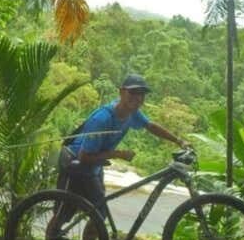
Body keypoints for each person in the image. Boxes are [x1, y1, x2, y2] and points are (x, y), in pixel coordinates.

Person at [57, 73, 188, 217]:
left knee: (99, 215)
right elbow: (84, 157)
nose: (137, 98)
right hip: (76, 166)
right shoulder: (102, 119)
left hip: (94, 168)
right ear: (121, 92)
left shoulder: (132, 113)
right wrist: (119, 154)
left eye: (142, 94)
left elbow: (150, 126)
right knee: (63, 215)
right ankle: (51, 239)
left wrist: (178, 141)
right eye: (132, 92)